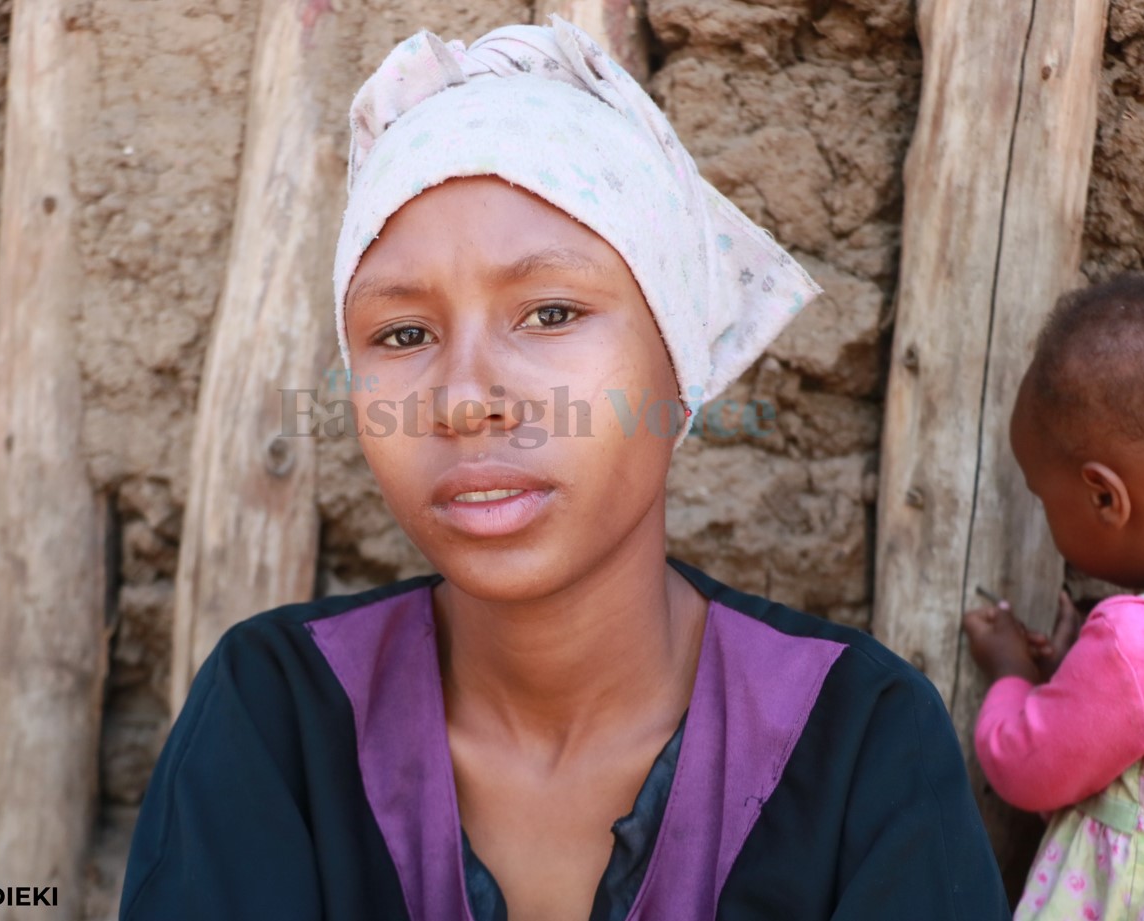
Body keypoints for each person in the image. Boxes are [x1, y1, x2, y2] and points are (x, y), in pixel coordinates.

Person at [122, 18, 1009, 920]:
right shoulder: (279, 717)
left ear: (680, 359)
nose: (465, 398)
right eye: (402, 333)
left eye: (548, 313)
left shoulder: (855, 740)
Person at [963, 273, 1144, 920]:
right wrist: (1073, 677)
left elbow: (1029, 766)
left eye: (1040, 495)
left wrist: (1013, 676)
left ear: (1104, 497)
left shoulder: (1134, 642)